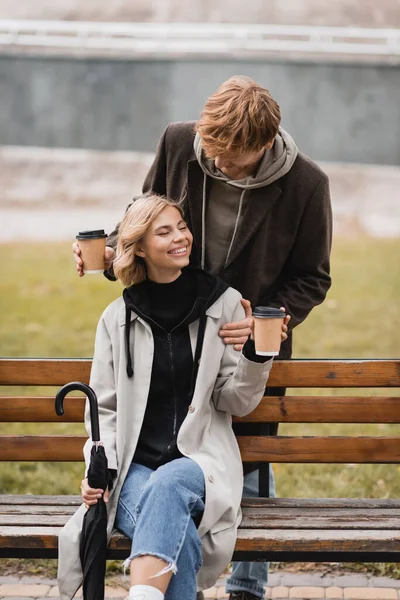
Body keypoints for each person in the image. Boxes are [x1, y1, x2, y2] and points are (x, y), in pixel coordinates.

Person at [72, 75, 332, 600]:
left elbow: (313, 276)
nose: (216, 163)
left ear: (264, 143)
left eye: (230, 158)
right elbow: (142, 218)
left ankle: (248, 584)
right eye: (210, 153)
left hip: (240, 336)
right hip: (168, 315)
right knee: (184, 471)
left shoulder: (306, 184)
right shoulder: (180, 143)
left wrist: (271, 319)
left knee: (247, 452)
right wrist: (107, 254)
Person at [59, 194, 289, 600]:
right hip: (133, 470)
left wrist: (255, 355)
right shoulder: (117, 318)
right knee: (172, 526)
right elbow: (106, 408)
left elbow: (237, 402)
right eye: (164, 232)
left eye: (182, 226)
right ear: (139, 248)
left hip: (199, 461)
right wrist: (102, 469)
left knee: (167, 484)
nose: (181, 237)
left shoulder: (225, 305)